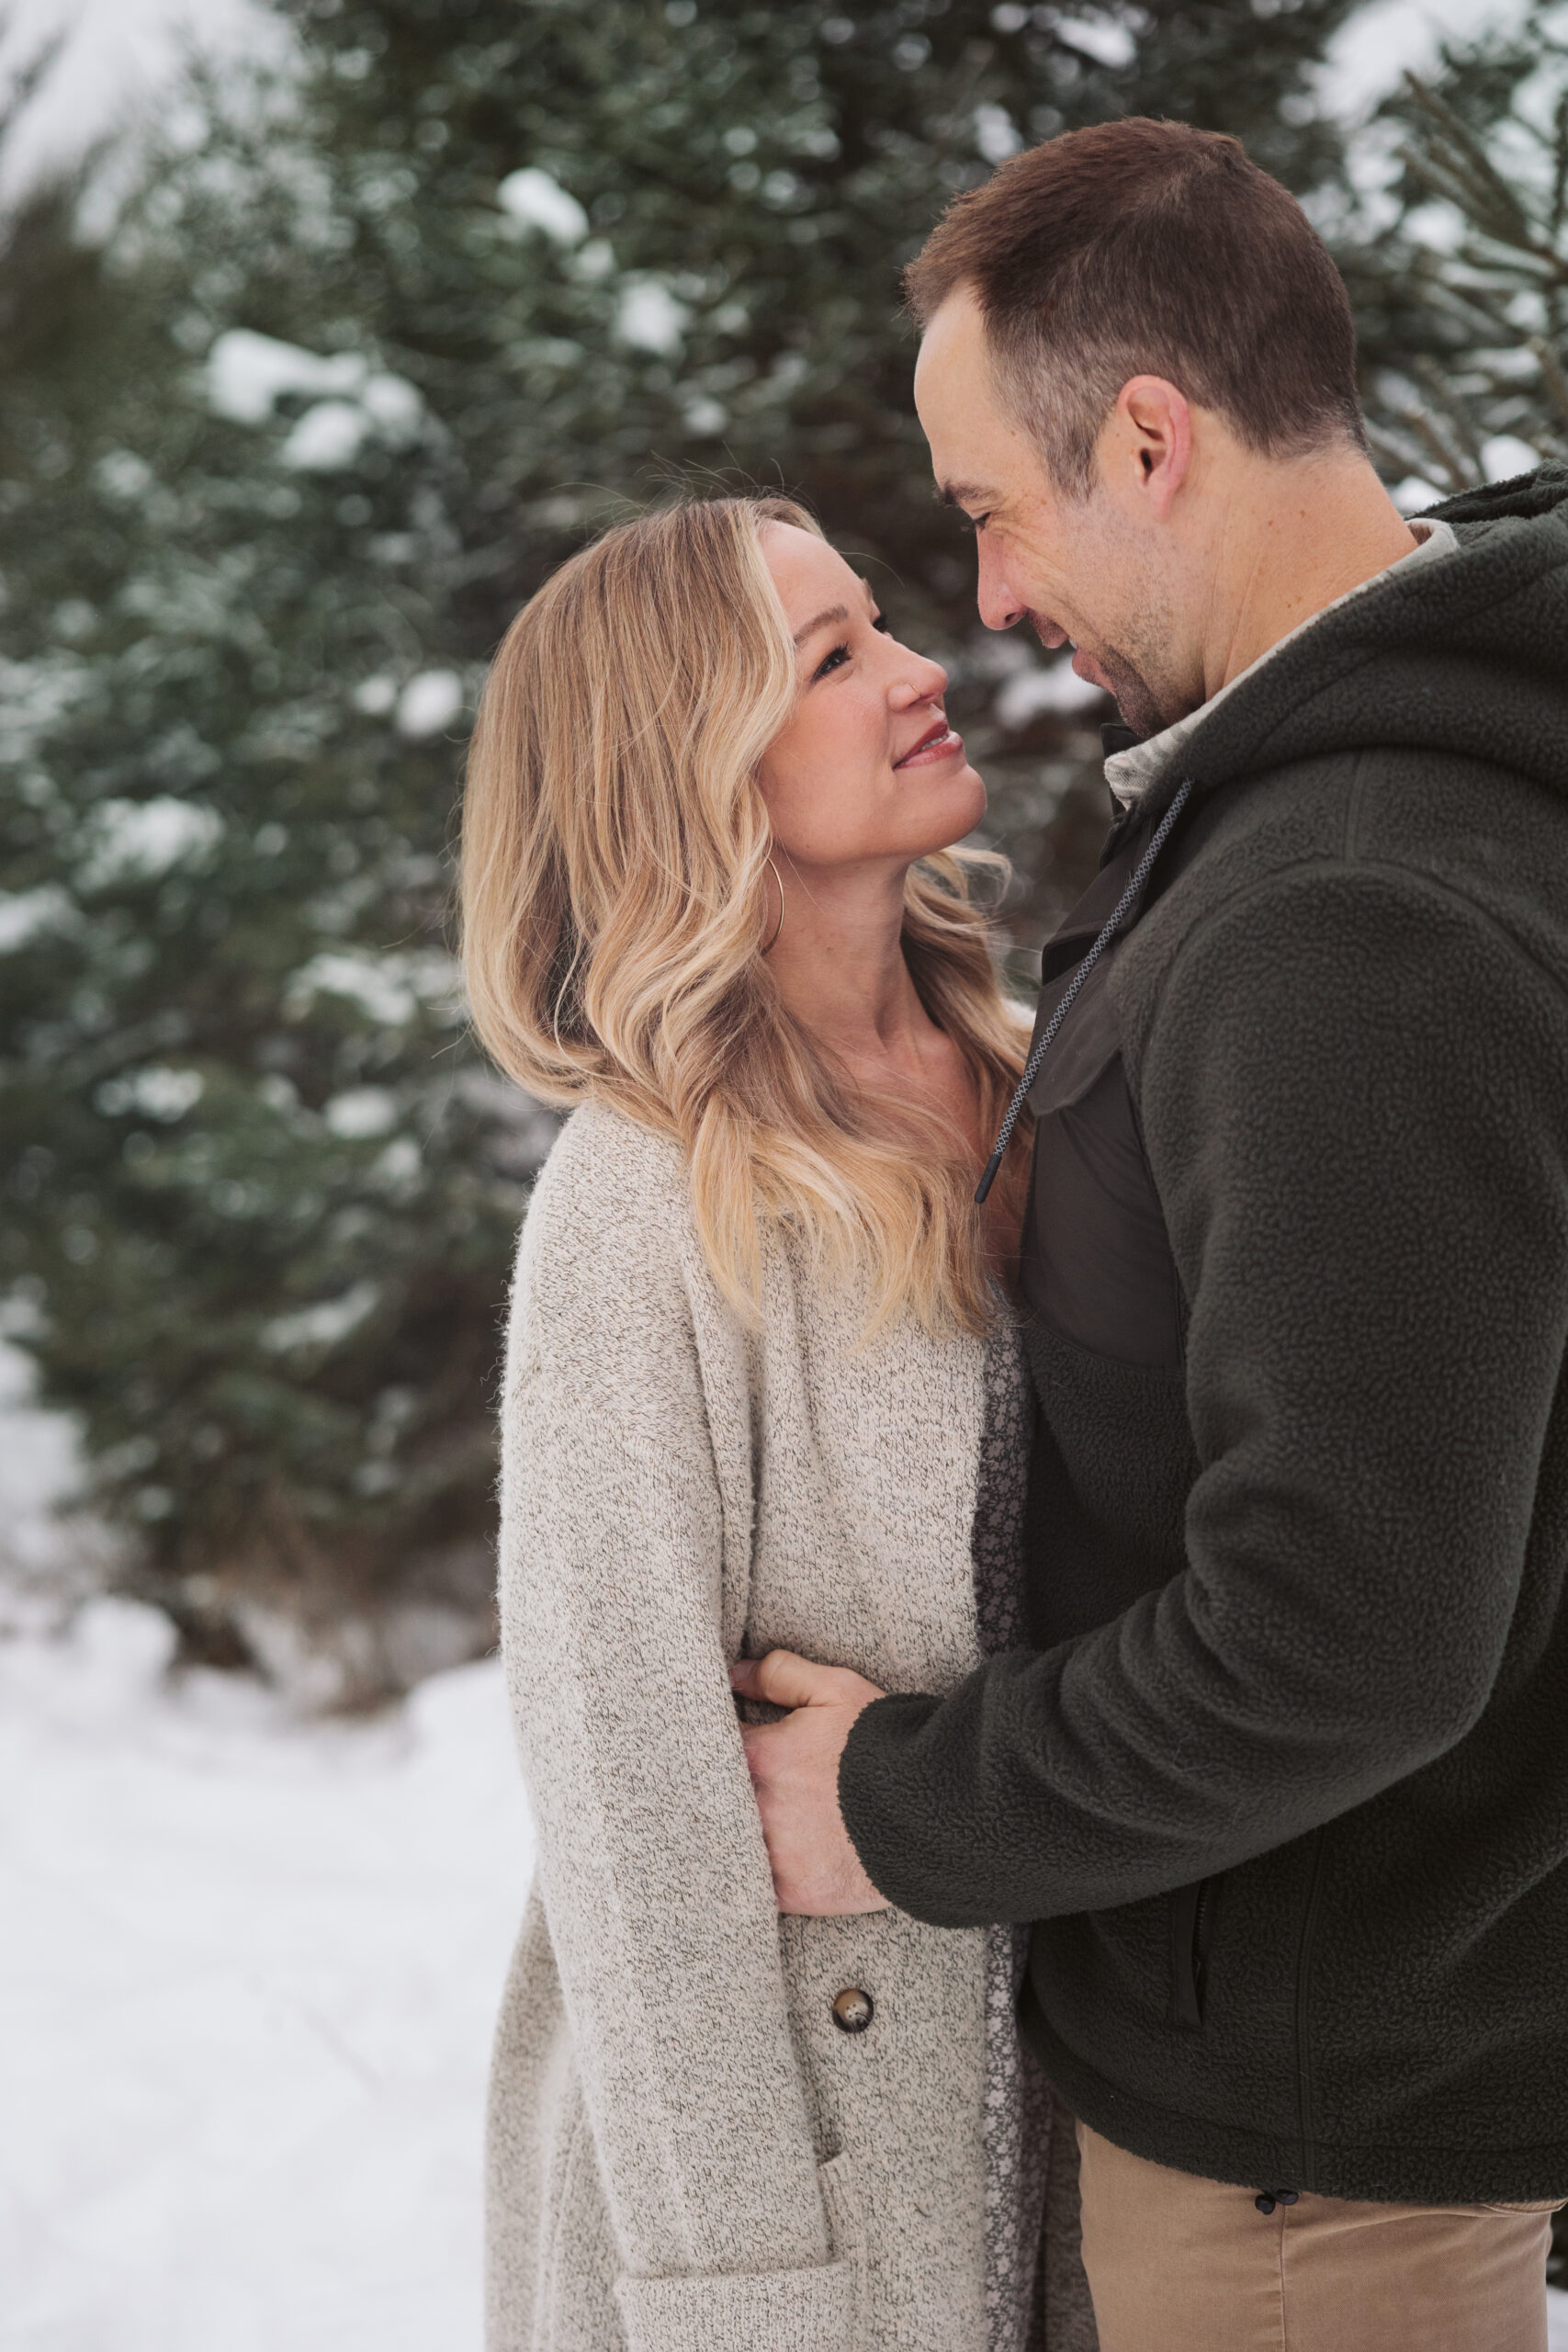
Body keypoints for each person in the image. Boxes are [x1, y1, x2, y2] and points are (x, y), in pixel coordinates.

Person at [735, 118, 1568, 2352]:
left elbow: (1345, 1631)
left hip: (1315, 2161)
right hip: (1336, 2072)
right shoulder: (1352, 797)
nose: (988, 599)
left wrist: (892, 1811)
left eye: (993, 513)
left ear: (1145, 435)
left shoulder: (1345, 914)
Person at [460, 493, 1098, 2350]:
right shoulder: (644, 1196)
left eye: (878, 624)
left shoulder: (1036, 1079)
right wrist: (742, 2288)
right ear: (691, 772)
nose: (920, 671)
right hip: (779, 2216)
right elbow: (630, 1794)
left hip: (1072, 2144)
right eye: (831, 658)